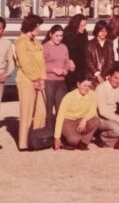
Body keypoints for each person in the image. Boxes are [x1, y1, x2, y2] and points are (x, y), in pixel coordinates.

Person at [14, 15, 47, 150]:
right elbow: (25, 63)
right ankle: (23, 143)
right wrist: (35, 78)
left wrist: (42, 79)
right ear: (31, 26)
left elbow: (42, 63)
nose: (39, 29)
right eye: (37, 26)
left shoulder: (37, 42)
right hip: (26, 80)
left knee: (41, 111)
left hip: (38, 80)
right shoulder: (21, 42)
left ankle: (36, 139)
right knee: (26, 112)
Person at [53, 74, 100, 151]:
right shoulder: (69, 96)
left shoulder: (92, 94)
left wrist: (84, 119)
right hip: (68, 121)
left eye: (89, 86)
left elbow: (92, 111)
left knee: (96, 121)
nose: (87, 88)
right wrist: (57, 138)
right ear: (78, 84)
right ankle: (68, 139)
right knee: (74, 140)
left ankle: (84, 142)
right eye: (84, 85)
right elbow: (60, 117)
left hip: (81, 120)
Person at [43, 25, 73, 128]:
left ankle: (58, 132)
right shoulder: (45, 47)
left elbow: (66, 61)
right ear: (51, 34)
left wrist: (66, 70)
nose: (59, 38)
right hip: (49, 81)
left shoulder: (64, 47)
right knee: (48, 107)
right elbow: (40, 65)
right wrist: (53, 69)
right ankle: (47, 132)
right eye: (57, 35)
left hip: (61, 81)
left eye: (61, 36)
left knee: (61, 107)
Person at [0, 17, 16, 148]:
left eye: (0, 28)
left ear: (3, 29)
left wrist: (6, 74)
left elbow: (11, 61)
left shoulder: (7, 43)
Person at [62, 14, 88, 90]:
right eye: (81, 25)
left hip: (81, 66)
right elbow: (63, 50)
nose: (83, 28)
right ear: (75, 25)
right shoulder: (67, 34)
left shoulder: (84, 34)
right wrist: (69, 60)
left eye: (85, 25)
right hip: (70, 66)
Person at [85, 21, 113, 86]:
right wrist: (98, 75)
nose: (104, 33)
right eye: (101, 31)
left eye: (105, 31)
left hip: (106, 77)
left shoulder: (109, 44)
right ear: (97, 31)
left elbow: (111, 62)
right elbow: (88, 62)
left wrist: (106, 75)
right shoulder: (90, 44)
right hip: (93, 77)